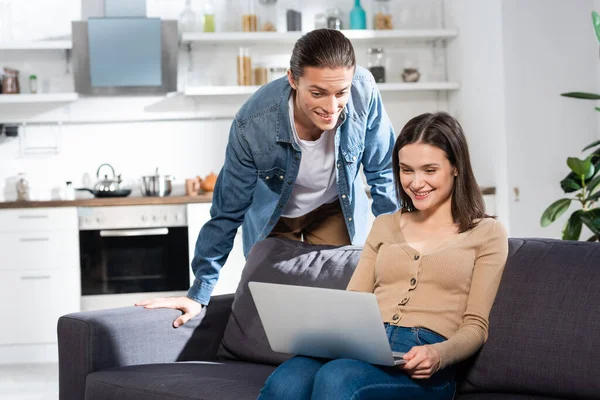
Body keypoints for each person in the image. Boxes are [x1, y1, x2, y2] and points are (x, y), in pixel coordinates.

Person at [136, 29, 399, 327]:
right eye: (317, 93)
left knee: (337, 300)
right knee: (277, 315)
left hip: (333, 208)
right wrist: (199, 292)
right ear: (292, 79)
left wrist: (397, 251)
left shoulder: (364, 91)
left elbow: (384, 174)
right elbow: (227, 211)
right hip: (276, 217)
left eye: (341, 93)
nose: (331, 108)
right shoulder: (252, 124)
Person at [258, 112, 509, 400]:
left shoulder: (487, 233)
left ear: (455, 167)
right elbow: (353, 302)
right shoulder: (385, 225)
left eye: (429, 170)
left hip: (424, 360)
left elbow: (476, 325)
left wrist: (438, 354)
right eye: (406, 170)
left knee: (337, 378)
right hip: (365, 346)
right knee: (287, 381)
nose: (416, 183)